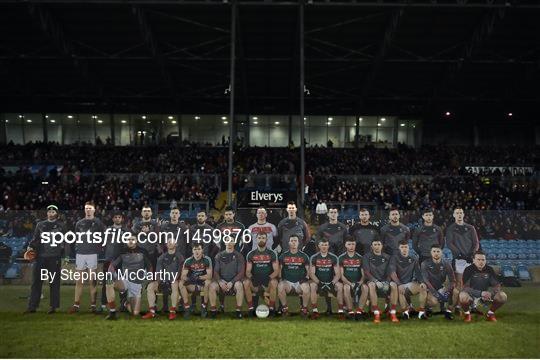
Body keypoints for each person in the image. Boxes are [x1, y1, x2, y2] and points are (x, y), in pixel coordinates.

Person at [25, 205, 67, 314]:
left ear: (56, 214)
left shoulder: (61, 226)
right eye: (49, 211)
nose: (51, 213)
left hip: (54, 258)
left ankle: (53, 307)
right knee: (36, 282)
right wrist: (30, 247)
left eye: (53, 211)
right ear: (47, 213)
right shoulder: (40, 225)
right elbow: (35, 240)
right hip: (40, 258)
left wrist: (65, 255)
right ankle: (32, 306)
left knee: (54, 282)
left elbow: (66, 242)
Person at [69, 202, 106, 314]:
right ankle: (76, 305)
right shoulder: (79, 223)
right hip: (80, 254)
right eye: (86, 208)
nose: (88, 210)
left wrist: (99, 249)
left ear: (94, 210)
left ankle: (93, 305)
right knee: (79, 280)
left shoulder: (98, 223)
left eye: (90, 208)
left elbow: (103, 237)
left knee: (92, 280)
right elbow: (76, 237)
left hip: (92, 254)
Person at [104, 235, 152, 320]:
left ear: (136, 241)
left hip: (136, 282)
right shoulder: (122, 251)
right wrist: (109, 275)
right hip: (124, 280)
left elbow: (149, 266)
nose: (130, 241)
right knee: (109, 284)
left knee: (135, 313)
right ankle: (112, 312)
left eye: (132, 239)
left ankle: (125, 303)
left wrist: (149, 278)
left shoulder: (143, 251)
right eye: (128, 239)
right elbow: (112, 265)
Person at [142, 235, 184, 320]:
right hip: (164, 281)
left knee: (174, 284)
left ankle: (172, 312)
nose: (169, 243)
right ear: (166, 245)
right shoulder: (162, 257)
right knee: (150, 286)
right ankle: (152, 311)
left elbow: (181, 271)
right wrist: (158, 282)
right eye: (168, 242)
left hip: (175, 281)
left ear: (176, 244)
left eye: (171, 241)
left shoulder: (180, 257)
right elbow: (158, 271)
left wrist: (175, 279)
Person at [459, 251, 507, 322]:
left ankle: (490, 314)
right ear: (473, 260)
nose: (481, 262)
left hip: (485, 296)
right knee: (462, 296)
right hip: (472, 295)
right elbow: (465, 288)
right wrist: (480, 293)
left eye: (483, 260)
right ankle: (467, 314)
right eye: (478, 259)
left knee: (502, 296)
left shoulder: (489, 269)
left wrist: (490, 293)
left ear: (485, 260)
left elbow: (496, 285)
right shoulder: (468, 270)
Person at [445, 207, 480, 307]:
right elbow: (449, 243)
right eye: (457, 213)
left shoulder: (470, 227)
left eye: (461, 213)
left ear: (463, 214)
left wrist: (472, 254)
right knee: (459, 283)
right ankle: (458, 306)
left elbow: (476, 243)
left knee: (471, 283)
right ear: (454, 215)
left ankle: (472, 305)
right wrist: (459, 254)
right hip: (459, 260)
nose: (459, 214)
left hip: (470, 259)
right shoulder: (451, 228)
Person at [389, 240, 427, 320]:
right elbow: (392, 273)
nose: (404, 249)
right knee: (400, 288)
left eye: (406, 247)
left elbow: (418, 273)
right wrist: (399, 284)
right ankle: (405, 313)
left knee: (423, 287)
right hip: (398, 284)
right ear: (398, 248)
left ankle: (421, 313)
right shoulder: (394, 258)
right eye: (402, 247)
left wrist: (422, 282)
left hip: (409, 284)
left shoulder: (414, 258)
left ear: (409, 248)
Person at [363, 239, 399, 323]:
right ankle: (376, 312)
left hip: (385, 281)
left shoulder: (388, 257)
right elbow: (366, 272)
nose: (377, 246)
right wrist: (375, 281)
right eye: (375, 245)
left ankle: (393, 312)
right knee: (371, 285)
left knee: (394, 285)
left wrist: (387, 282)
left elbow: (390, 271)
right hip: (373, 281)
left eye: (379, 244)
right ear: (371, 247)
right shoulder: (366, 257)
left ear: (382, 246)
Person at [159, 207, 189, 311]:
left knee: (178, 281)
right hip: (167, 257)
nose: (175, 215)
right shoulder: (164, 227)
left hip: (180, 258)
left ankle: (180, 303)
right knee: (166, 281)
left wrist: (184, 257)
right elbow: (160, 241)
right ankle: (165, 305)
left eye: (176, 213)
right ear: (170, 214)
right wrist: (162, 253)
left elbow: (187, 242)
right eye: (173, 213)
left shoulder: (183, 227)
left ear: (179, 215)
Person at [243, 233, 279, 317]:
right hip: (255, 281)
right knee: (246, 283)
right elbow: (248, 271)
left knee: (274, 282)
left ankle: (271, 309)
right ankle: (251, 309)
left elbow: (276, 270)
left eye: (263, 238)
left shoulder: (272, 253)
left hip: (267, 282)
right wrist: (252, 278)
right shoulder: (251, 254)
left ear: (266, 240)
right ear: (256, 240)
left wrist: (269, 278)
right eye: (259, 238)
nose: (261, 239)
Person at [209, 237, 245, 319]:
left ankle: (238, 311)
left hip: (234, 282)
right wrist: (220, 281)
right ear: (225, 242)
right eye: (227, 241)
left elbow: (241, 273)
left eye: (231, 241)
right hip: (222, 282)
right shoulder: (219, 255)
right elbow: (215, 272)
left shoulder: (239, 256)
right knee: (212, 286)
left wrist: (232, 282)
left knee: (239, 285)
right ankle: (213, 311)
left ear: (234, 243)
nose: (229, 243)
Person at [420, 244, 459, 320]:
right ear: (431, 253)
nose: (436, 253)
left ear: (441, 252)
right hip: (431, 289)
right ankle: (428, 308)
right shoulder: (424, 263)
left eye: (438, 251)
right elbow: (426, 280)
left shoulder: (446, 263)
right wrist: (435, 293)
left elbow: (453, 281)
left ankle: (448, 312)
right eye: (434, 251)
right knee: (433, 302)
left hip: (442, 287)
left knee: (456, 292)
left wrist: (447, 291)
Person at [100, 210, 127, 313]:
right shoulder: (108, 230)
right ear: (113, 219)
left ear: (122, 219)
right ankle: (103, 305)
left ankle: (123, 304)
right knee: (106, 283)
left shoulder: (126, 231)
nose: (117, 219)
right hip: (109, 260)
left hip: (121, 260)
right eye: (115, 217)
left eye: (119, 217)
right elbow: (103, 244)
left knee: (122, 283)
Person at [308, 238, 343, 319]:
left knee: (340, 286)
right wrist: (319, 283)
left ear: (328, 246)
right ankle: (315, 311)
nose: (324, 247)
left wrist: (332, 283)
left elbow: (338, 274)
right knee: (312, 286)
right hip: (318, 281)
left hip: (331, 281)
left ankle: (341, 311)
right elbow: (311, 273)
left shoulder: (333, 257)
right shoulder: (314, 257)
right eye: (322, 245)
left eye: (326, 245)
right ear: (319, 246)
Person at [277, 234, 310, 317]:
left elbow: (308, 271)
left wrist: (306, 279)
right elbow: (279, 270)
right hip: (288, 282)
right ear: (289, 243)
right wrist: (281, 279)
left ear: (298, 243)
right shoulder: (283, 256)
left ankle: (304, 309)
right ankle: (285, 309)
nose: (294, 242)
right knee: (280, 286)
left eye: (295, 241)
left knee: (306, 287)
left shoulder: (304, 256)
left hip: (299, 283)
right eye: (292, 241)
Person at [178, 243, 213, 319]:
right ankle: (187, 308)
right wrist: (189, 278)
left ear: (202, 250)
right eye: (195, 249)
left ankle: (204, 307)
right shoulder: (188, 261)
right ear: (192, 251)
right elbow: (183, 276)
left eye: (199, 249)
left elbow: (209, 276)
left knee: (208, 282)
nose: (197, 251)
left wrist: (198, 277)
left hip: (202, 283)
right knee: (181, 283)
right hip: (192, 284)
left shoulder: (207, 260)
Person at [339, 236, 368, 320]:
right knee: (346, 288)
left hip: (358, 282)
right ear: (345, 245)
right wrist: (350, 283)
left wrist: (360, 283)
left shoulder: (360, 258)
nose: (351, 246)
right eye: (349, 244)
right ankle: (350, 311)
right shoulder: (341, 258)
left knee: (365, 288)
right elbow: (341, 275)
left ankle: (359, 311)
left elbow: (363, 275)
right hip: (347, 282)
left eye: (353, 244)